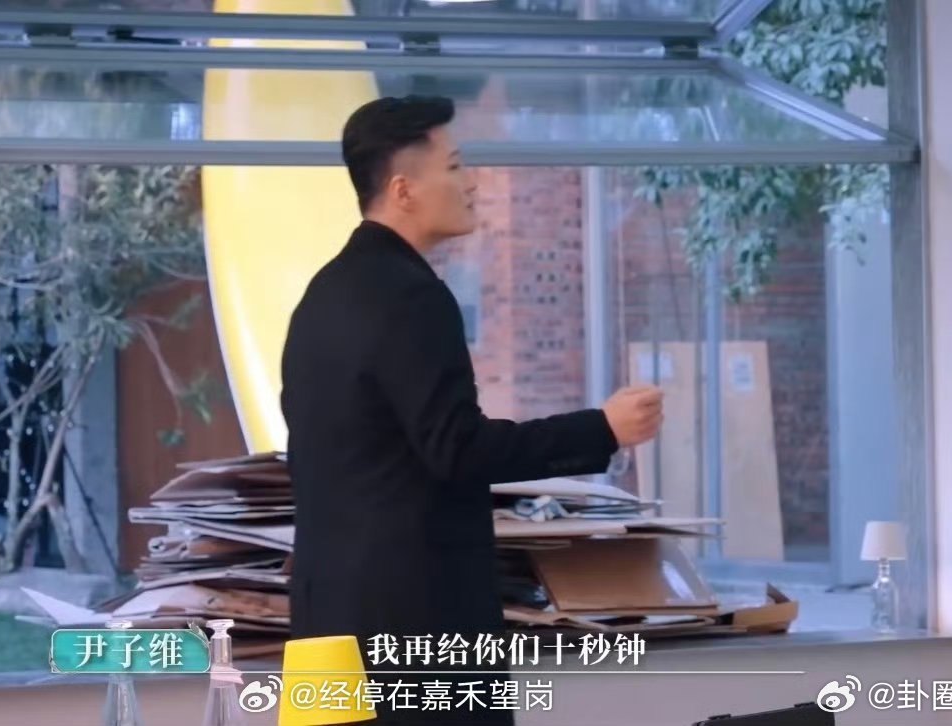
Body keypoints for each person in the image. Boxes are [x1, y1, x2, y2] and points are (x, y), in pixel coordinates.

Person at [280, 95, 664, 725]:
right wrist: (602, 428)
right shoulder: (412, 297)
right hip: (414, 628)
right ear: (403, 190)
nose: (473, 182)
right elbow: (457, 449)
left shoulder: (322, 295)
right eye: (456, 166)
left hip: (326, 623)